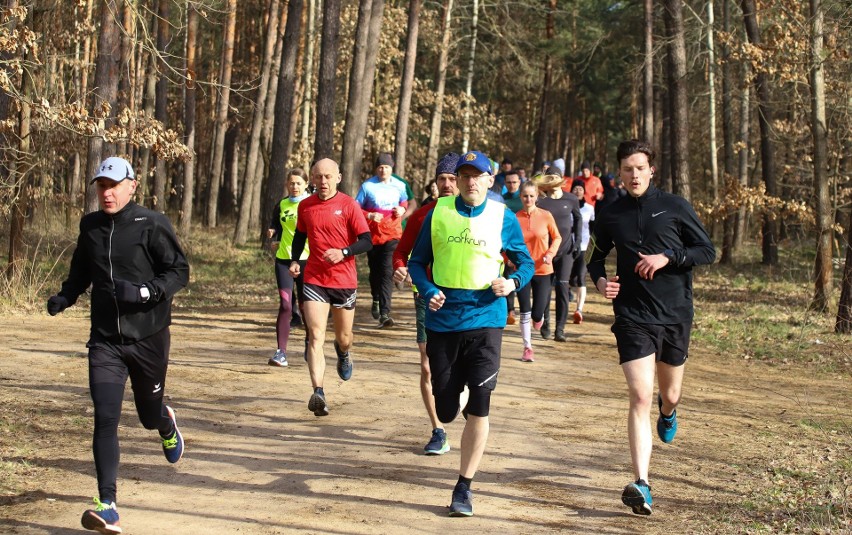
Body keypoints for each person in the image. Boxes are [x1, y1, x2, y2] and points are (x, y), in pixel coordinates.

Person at [46, 157, 189, 534]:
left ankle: (165, 422)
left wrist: (146, 292)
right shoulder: (90, 226)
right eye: (101, 186)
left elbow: (179, 271)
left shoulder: (152, 223)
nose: (106, 192)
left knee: (146, 415)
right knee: (105, 416)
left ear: (132, 185)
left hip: (148, 337)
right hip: (106, 340)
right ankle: (107, 503)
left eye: (113, 185)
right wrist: (66, 296)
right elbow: (81, 270)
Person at [588, 139, 715, 515]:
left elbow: (707, 251)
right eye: (627, 169)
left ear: (651, 170)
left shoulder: (675, 206)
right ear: (620, 172)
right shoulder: (610, 212)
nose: (633, 175)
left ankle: (669, 412)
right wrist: (600, 283)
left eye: (640, 168)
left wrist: (668, 257)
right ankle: (642, 483)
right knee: (640, 396)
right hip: (632, 315)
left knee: (669, 393)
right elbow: (593, 259)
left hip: (675, 312)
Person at [408, 150, 534, 517]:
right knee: (446, 410)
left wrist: (511, 282)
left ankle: (464, 486)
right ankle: (452, 400)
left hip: (486, 319)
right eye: (465, 175)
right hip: (443, 321)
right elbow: (417, 263)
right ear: (457, 180)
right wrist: (428, 290)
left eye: (478, 175)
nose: (471, 181)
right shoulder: (438, 214)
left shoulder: (502, 216)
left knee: (480, 404)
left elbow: (525, 262)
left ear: (490, 181)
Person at [290, 158, 372, 416]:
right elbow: (300, 235)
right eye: (318, 177)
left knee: (344, 337)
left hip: (344, 280)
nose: (322, 182)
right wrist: (295, 260)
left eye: (328, 176)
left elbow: (367, 241)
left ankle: (343, 352)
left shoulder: (349, 205)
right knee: (315, 336)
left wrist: (344, 252)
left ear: (338, 177)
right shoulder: (305, 206)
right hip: (315, 277)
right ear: (312, 179)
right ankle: (319, 393)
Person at [392, 152, 461, 455]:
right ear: (435, 183)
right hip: (427, 296)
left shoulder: (480, 215)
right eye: (442, 179)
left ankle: (464, 397)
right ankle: (439, 430)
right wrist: (400, 267)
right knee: (427, 365)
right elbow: (401, 250)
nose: (447, 184)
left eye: (452, 178)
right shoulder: (422, 215)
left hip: (465, 298)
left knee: (463, 362)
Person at [356, 153, 409, 327]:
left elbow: (404, 202)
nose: (383, 170)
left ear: (391, 168)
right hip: (372, 235)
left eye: (386, 167)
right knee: (375, 272)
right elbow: (356, 208)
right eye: (380, 167)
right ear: (375, 169)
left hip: (393, 234)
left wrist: (402, 210)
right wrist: (369, 214)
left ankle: (385, 313)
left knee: (387, 271)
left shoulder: (399, 185)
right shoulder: (367, 186)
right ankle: (376, 298)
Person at [266, 168, 311, 367]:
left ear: (306, 185)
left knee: (305, 306)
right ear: (287, 184)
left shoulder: (311, 204)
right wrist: (273, 231)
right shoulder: (282, 204)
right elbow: (276, 223)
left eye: (298, 183)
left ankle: (310, 343)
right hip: (283, 259)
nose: (294, 187)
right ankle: (281, 352)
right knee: (285, 305)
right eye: (291, 183)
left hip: (306, 260)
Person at [513, 180, 561, 362]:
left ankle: (538, 317)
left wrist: (550, 253)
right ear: (520, 197)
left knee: (537, 313)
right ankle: (527, 348)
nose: (528, 199)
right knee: (524, 310)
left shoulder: (546, 215)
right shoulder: (514, 218)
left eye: (532, 196)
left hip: (543, 268)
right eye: (525, 196)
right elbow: (507, 243)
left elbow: (557, 237)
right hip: (523, 270)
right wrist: (509, 259)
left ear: (537, 197)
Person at [534, 167, 582, 342]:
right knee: (545, 289)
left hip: (566, 250)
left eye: (555, 177)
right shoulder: (541, 201)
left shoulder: (571, 199)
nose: (552, 180)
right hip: (545, 252)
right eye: (549, 178)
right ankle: (545, 323)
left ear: (561, 179)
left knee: (562, 287)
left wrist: (577, 242)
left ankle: (560, 329)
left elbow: (578, 218)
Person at [568, 179, 595, 324]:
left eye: (580, 189)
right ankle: (568, 295)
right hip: (568, 246)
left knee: (581, 276)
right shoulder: (566, 207)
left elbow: (593, 228)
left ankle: (579, 309)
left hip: (585, 246)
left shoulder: (589, 209)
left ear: (584, 191)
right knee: (569, 278)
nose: (577, 191)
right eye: (575, 188)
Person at [502, 170, 522, 324]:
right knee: (507, 275)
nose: (511, 185)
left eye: (514, 182)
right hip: (506, 243)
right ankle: (510, 310)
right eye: (508, 182)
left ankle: (529, 311)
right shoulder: (501, 201)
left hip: (523, 242)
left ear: (519, 182)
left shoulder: (524, 199)